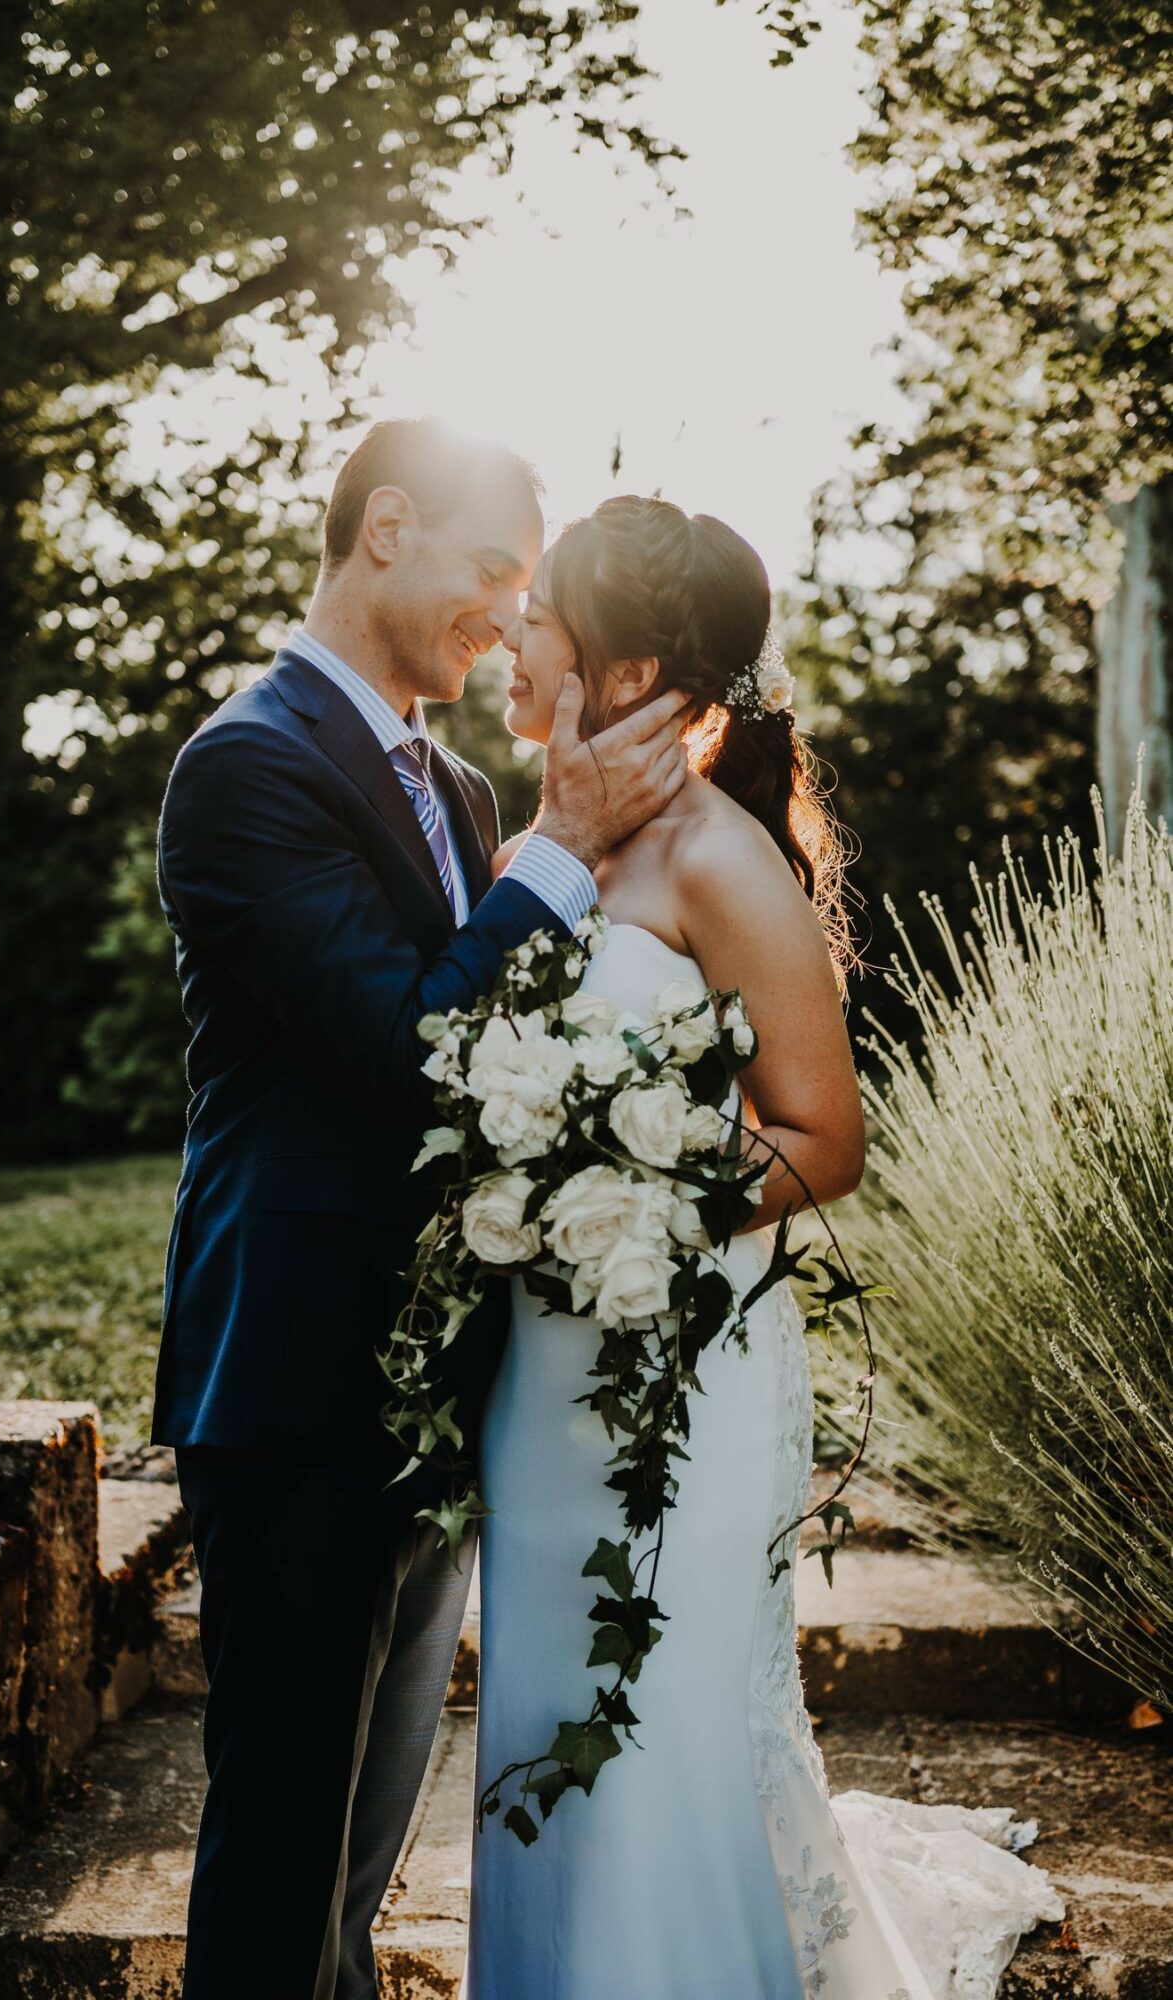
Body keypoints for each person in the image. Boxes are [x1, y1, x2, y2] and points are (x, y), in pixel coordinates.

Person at [466, 494, 1065, 2000]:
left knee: (653, 1698)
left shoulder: (720, 862)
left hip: (677, 1358)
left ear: (622, 669)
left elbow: (822, 1136)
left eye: (540, 614)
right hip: (538, 1367)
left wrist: (631, 1211)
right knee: (547, 1686)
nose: (511, 634)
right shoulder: (536, 841)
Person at [149, 422, 693, 2000]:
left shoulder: (455, 785)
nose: (511, 619)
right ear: (384, 529)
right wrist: (568, 850)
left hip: (435, 1390)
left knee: (359, 1860)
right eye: (490, 573)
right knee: (279, 1852)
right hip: (295, 1375)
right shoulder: (243, 763)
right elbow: (413, 1048)